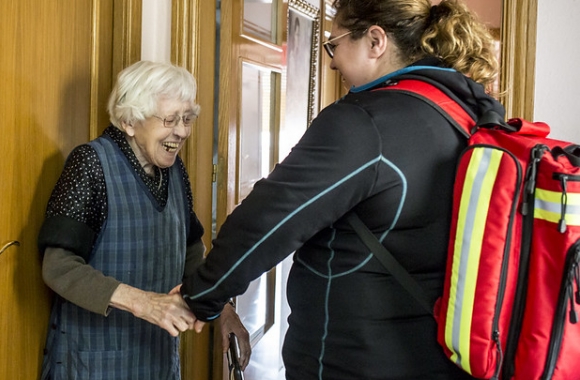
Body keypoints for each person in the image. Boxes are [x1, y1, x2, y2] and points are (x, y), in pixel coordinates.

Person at [181, 1, 503, 379]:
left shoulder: (366, 122)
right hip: (443, 357)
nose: (331, 62)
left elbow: (267, 221)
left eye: (334, 45)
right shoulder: (465, 116)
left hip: (354, 360)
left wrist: (202, 296)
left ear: (376, 40)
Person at [38, 60, 250, 380]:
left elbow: (190, 250)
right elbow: (58, 266)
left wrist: (221, 308)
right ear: (130, 121)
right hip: (92, 363)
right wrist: (144, 303)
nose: (181, 131)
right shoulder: (91, 164)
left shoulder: (175, 171)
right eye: (169, 119)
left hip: (157, 360)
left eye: (187, 118)